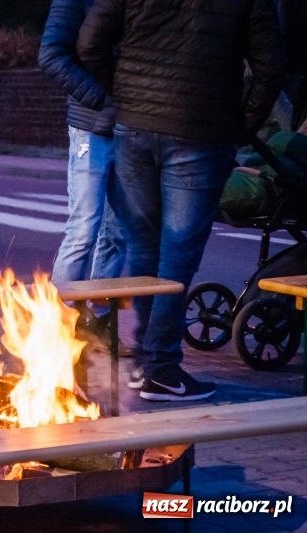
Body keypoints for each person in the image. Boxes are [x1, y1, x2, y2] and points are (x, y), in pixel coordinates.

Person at [77, 0, 287, 400]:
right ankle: (160, 368)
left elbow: (89, 43)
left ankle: (146, 362)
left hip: (135, 128)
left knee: (144, 249)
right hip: (200, 130)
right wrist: (242, 126)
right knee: (177, 255)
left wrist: (125, 94)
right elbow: (270, 65)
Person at [38, 0, 128, 354]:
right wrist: (100, 100)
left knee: (119, 231)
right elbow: (50, 56)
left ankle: (99, 322)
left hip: (127, 127)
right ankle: (57, 328)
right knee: (84, 228)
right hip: (91, 127)